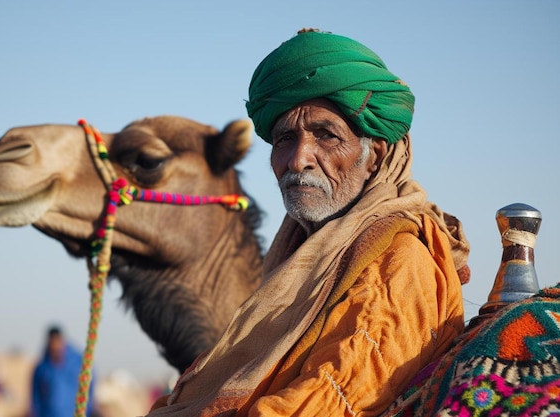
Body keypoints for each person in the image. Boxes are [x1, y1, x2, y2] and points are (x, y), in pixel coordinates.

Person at [147, 28, 470, 417]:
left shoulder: (400, 260)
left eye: (326, 136)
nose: (298, 159)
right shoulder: (295, 262)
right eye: (285, 138)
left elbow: (329, 398)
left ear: (375, 155)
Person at [30, 325, 97, 417]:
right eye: (51, 344)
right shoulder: (42, 367)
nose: (55, 347)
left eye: (57, 343)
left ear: (62, 341)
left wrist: (87, 410)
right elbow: (35, 398)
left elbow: (90, 386)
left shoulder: (78, 362)